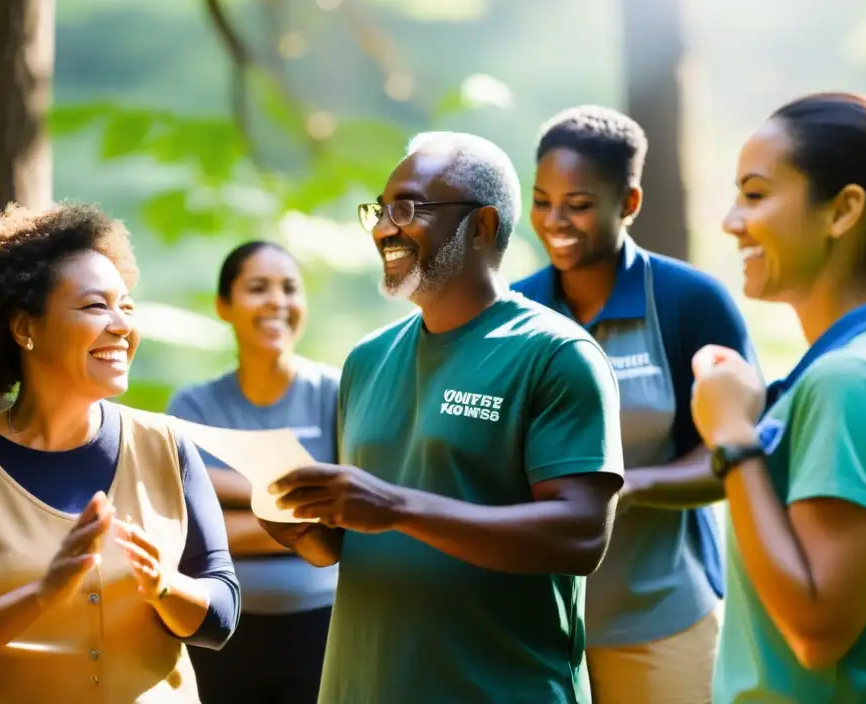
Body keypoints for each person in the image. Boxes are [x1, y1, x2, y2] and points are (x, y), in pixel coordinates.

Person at [264, 131, 625, 704]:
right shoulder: (366, 359)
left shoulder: (555, 355)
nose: (385, 228)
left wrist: (396, 507)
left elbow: (580, 534)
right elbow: (356, 541)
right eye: (380, 211)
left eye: (407, 208)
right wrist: (307, 532)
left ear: (480, 226)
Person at [0, 203, 239, 703]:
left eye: (127, 307)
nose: (121, 326)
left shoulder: (168, 446)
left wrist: (164, 586)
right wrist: (40, 595)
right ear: (24, 328)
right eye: (96, 306)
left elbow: (220, 617)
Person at [689, 92, 866, 702]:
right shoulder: (858, 368)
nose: (732, 220)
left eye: (755, 194)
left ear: (843, 210)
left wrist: (732, 438)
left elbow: (817, 627)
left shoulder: (856, 381)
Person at [511, 105, 755, 703]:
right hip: (537, 624)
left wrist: (625, 487)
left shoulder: (689, 301)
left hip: (664, 617)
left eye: (579, 203)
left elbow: (735, 451)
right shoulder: (514, 312)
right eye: (542, 201)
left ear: (630, 203)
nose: (554, 220)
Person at [166, 241, 339, 704]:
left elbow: (351, 519)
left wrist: (228, 501)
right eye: (258, 288)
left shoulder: (337, 393)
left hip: (325, 628)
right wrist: (306, 502)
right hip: (222, 630)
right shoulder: (192, 406)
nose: (276, 302)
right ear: (225, 305)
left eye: (289, 288)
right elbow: (182, 532)